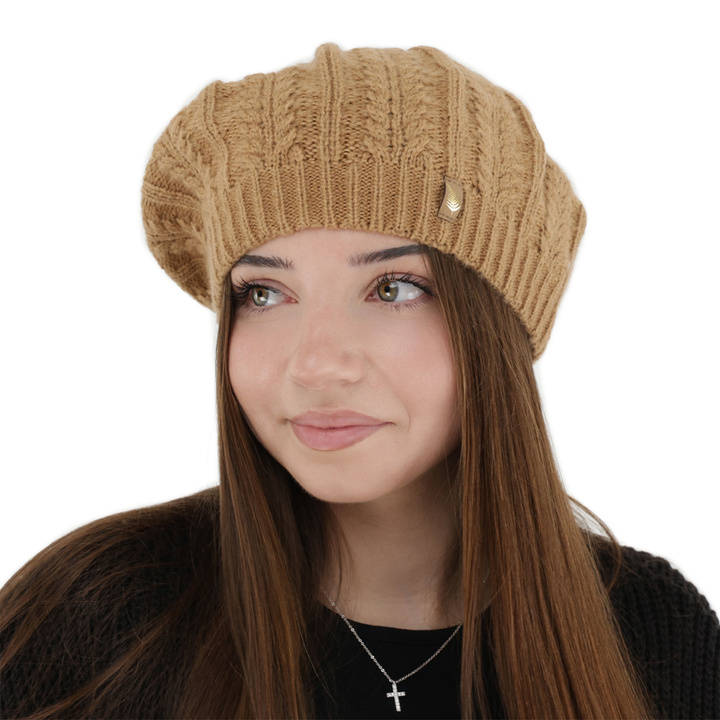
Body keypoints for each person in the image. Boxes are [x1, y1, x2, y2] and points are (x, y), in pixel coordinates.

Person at [0, 43, 717, 720]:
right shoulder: (97, 620)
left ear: (497, 327)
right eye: (263, 294)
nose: (316, 364)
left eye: (394, 288)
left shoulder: (652, 633)